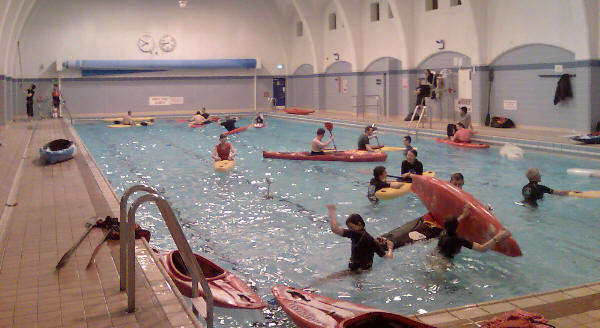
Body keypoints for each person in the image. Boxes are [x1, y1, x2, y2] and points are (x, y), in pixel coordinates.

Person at [327, 204, 393, 272]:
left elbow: (335, 229)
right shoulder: (370, 239)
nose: (350, 230)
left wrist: (331, 210)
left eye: (351, 227)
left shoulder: (357, 234)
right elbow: (388, 257)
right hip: (365, 270)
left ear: (359, 224)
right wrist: (390, 247)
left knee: (326, 280)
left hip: (357, 271)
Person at [436, 205, 512, 259]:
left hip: (435, 255)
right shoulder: (458, 240)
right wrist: (499, 236)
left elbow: (453, 224)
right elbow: (482, 248)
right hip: (444, 263)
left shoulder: (443, 232)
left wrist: (463, 215)